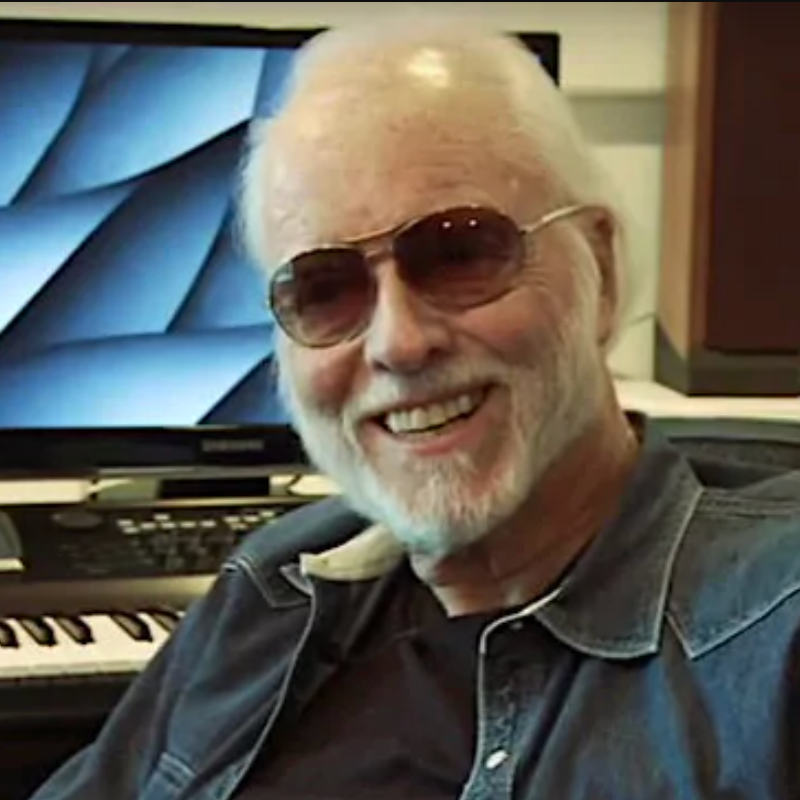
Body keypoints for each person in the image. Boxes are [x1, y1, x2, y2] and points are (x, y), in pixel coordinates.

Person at [30, 11, 800, 800]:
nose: (397, 343)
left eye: (461, 252)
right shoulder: (275, 582)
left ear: (599, 269)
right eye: (324, 289)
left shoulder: (775, 635)